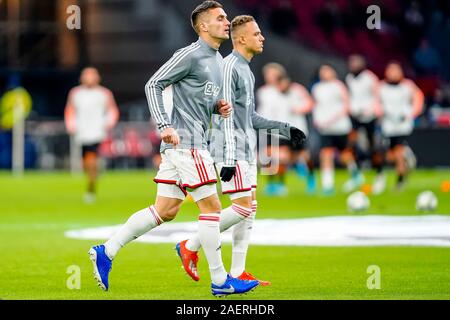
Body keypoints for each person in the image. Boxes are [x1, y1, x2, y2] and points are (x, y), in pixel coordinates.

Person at [88, 1, 260, 297]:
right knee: (213, 208)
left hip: (188, 145)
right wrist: (163, 125)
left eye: (227, 17)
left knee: (166, 210)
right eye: (220, 18)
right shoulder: (190, 55)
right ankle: (220, 281)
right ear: (203, 26)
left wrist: (218, 108)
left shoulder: (218, 61)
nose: (226, 22)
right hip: (187, 143)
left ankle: (107, 250)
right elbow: (153, 83)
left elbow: (199, 101)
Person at [175, 15, 305, 285]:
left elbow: (249, 117)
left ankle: (238, 271)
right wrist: (230, 157)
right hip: (229, 150)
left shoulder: (246, 68)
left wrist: (285, 128)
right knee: (243, 208)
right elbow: (224, 115)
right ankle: (191, 244)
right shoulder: (229, 67)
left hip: (245, 150)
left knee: (250, 208)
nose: (263, 37)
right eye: (257, 34)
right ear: (241, 38)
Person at [256, 63, 314, 195]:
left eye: (272, 74)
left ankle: (310, 178)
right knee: (273, 157)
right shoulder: (264, 92)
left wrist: (300, 109)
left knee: (302, 156)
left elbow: (309, 103)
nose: (269, 77)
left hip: (295, 129)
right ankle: (275, 185)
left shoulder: (295, 89)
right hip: (273, 130)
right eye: (267, 74)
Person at [64, 67, 119, 203]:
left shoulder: (104, 93)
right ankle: (93, 174)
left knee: (91, 156)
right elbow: (70, 110)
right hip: (82, 131)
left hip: (97, 131)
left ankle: (91, 187)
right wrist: (71, 125)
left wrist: (108, 123)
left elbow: (112, 110)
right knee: (86, 161)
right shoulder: (76, 93)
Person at [311, 64, 364, 194]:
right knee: (325, 154)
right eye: (322, 71)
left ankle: (355, 174)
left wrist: (333, 118)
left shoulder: (339, 86)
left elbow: (346, 105)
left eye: (327, 71)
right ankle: (328, 185)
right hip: (325, 128)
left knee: (345, 155)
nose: (324, 74)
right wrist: (317, 120)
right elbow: (316, 105)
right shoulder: (317, 88)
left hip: (340, 127)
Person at [378, 62, 424, 191]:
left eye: (395, 70)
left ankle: (400, 180)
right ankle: (406, 156)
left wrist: (412, 114)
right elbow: (376, 103)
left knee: (398, 152)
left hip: (403, 125)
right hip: (388, 125)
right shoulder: (381, 87)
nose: (393, 73)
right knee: (389, 155)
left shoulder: (407, 86)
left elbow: (419, 98)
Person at [345, 54, 385, 194]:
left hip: (370, 117)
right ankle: (356, 175)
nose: (352, 65)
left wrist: (372, 110)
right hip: (355, 117)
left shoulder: (370, 78)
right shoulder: (349, 78)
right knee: (350, 145)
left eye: (355, 62)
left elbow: (377, 96)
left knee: (374, 147)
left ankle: (379, 176)